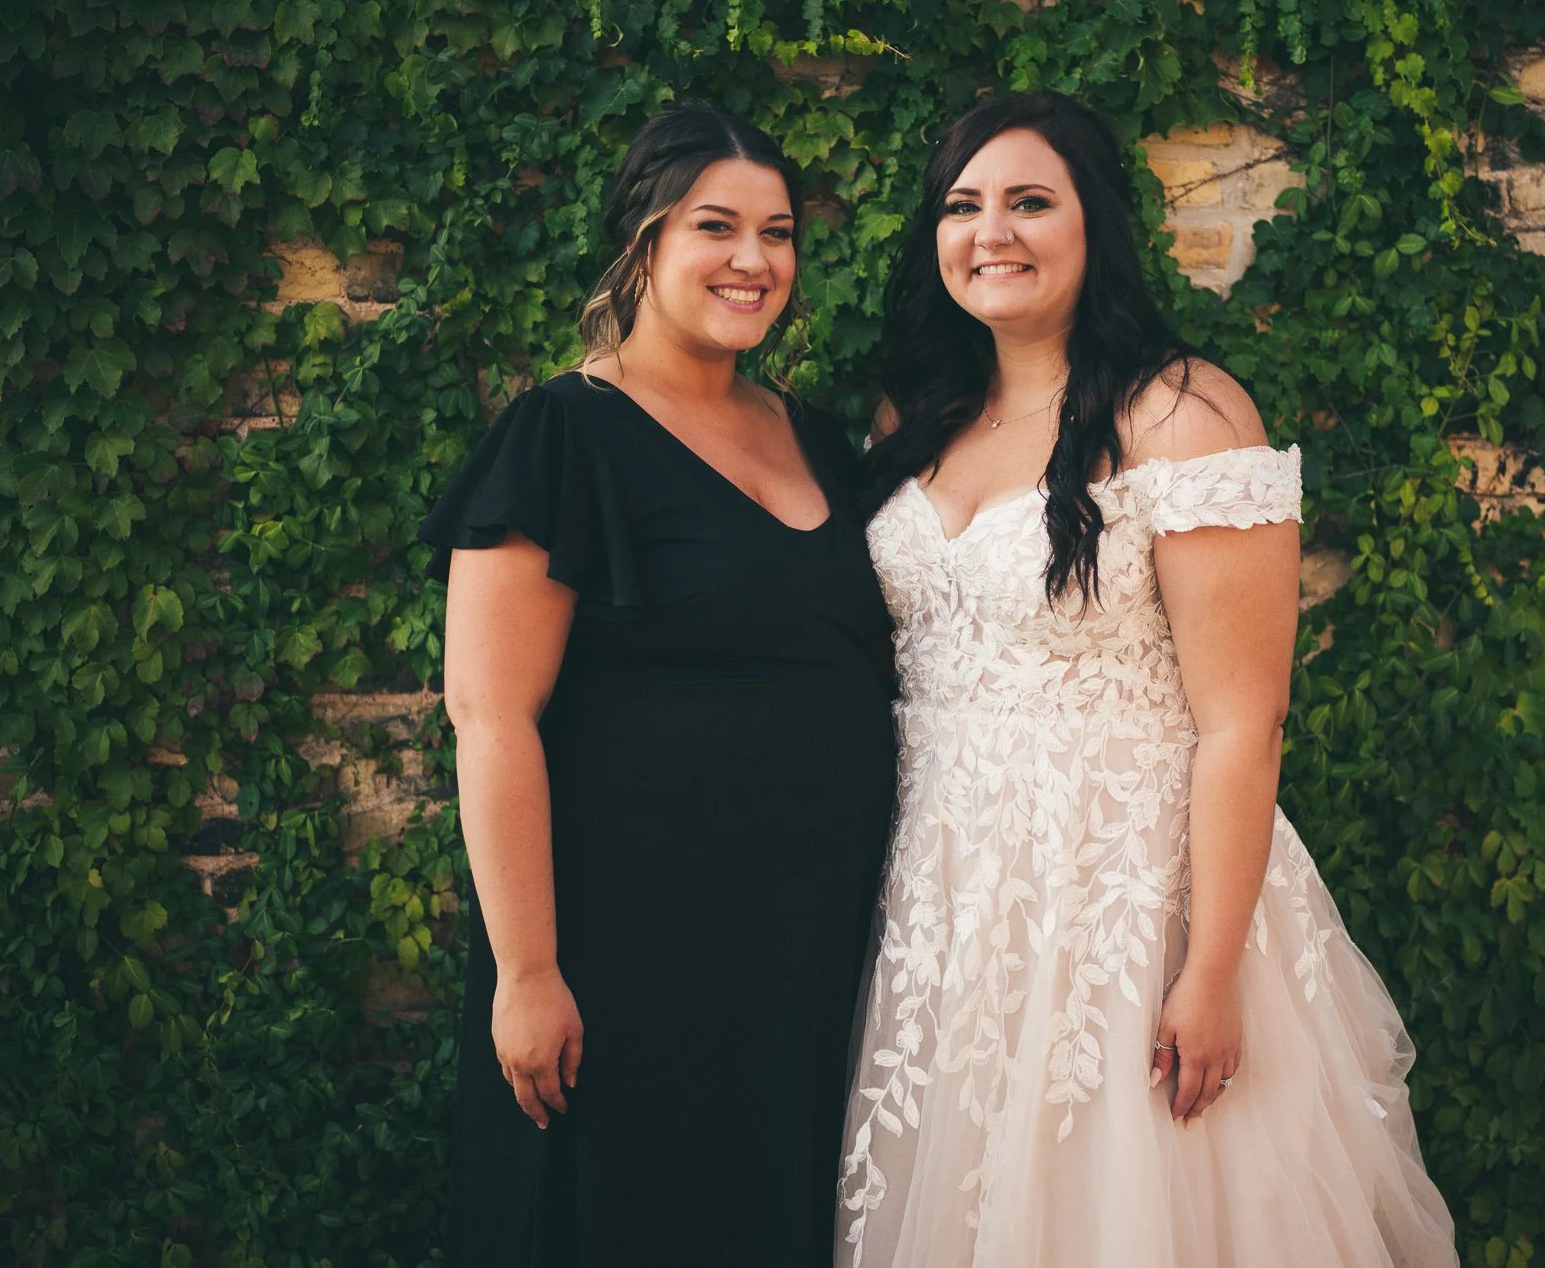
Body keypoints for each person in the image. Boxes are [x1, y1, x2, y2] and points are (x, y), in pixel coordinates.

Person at [837, 91, 1458, 1268]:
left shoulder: (1181, 416)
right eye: (962, 206)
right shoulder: (912, 417)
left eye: (1029, 201)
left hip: (1121, 903)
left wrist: (1208, 970)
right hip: (940, 899)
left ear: (1095, 224)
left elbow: (1241, 720)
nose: (991, 232)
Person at [420, 101, 896, 1266]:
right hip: (626, 948)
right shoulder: (562, 433)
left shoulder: (815, 435)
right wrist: (528, 970)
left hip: (797, 949)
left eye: (777, 232)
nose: (753, 259)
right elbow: (489, 714)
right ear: (642, 241)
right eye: (715, 226)